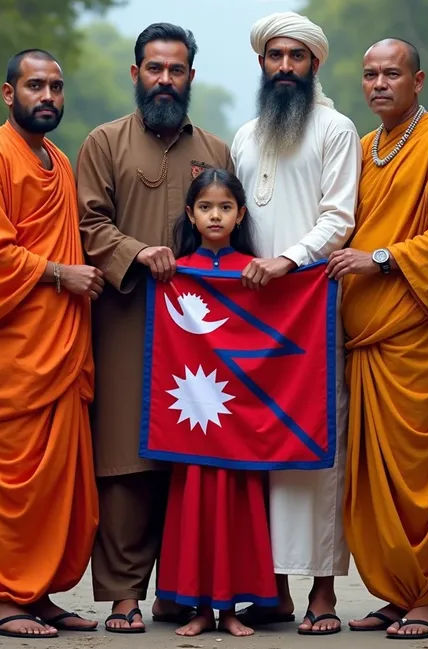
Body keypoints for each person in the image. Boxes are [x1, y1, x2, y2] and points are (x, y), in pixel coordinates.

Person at [76, 23, 235, 634]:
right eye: (153, 68)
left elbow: (233, 233)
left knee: (191, 457)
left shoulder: (216, 151)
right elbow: (88, 225)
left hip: (198, 335)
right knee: (125, 459)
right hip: (126, 321)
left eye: (175, 70)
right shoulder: (104, 142)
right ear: (136, 73)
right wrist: (138, 253)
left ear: (191, 76)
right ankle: (124, 595)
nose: (164, 79)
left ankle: (181, 589)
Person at [231, 12, 362, 635]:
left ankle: (324, 594)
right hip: (253, 316)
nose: (285, 66)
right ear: (261, 63)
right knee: (261, 446)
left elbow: (339, 219)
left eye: (297, 57)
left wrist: (288, 260)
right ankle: (273, 590)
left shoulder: (337, 129)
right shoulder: (243, 136)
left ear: (315, 65)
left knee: (317, 444)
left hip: (313, 308)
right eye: (275, 56)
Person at [0, 49, 102, 639]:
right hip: (16, 356)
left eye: (55, 86)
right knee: (18, 484)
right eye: (34, 86)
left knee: (58, 486)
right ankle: (5, 603)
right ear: (9, 94)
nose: (47, 96)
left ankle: (41, 593)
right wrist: (59, 274)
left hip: (63, 348)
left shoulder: (58, 159)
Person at [327, 38, 428, 640]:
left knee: (414, 473)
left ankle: (426, 599)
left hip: (414, 336)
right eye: (370, 73)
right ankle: (394, 595)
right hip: (363, 340)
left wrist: (380, 258)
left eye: (392, 74)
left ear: (418, 80)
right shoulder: (365, 147)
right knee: (371, 478)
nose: (379, 83)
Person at [156, 168, 277, 638]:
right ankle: (200, 609)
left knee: (236, 506)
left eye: (225, 207)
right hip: (196, 418)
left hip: (238, 416)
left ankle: (230, 610)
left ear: (240, 214)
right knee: (197, 503)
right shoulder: (177, 271)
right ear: (191, 213)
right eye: (205, 206)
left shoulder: (253, 269)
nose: (215, 215)